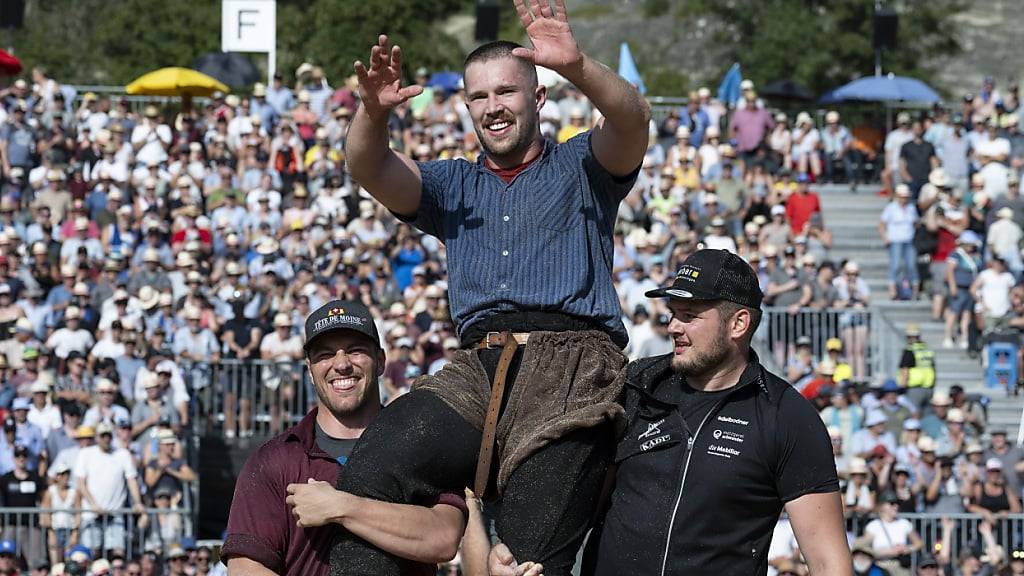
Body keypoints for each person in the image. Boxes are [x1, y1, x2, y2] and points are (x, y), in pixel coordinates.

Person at [333, 0, 650, 573]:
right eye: (478, 97)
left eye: (505, 91)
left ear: (538, 97)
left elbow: (632, 120)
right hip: (479, 366)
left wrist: (577, 65)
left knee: (522, 559)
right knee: (369, 473)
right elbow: (370, 167)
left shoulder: (582, 163)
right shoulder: (454, 182)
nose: (492, 107)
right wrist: (372, 114)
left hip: (572, 368)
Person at [553, 249, 848, 575]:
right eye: (673, 313)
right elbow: (577, 506)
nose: (674, 327)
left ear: (738, 323)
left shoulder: (787, 416)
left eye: (690, 315)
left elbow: (828, 562)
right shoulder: (636, 386)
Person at [222, 300, 467, 576]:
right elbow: (246, 568)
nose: (341, 364)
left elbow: (443, 538)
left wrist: (342, 507)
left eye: (355, 350)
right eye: (325, 354)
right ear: (310, 371)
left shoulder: (422, 445)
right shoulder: (273, 460)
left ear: (381, 360)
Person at [879, 184, 920, 300]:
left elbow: (915, 223)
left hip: (908, 240)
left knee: (911, 265)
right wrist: (885, 237)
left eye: (905, 197)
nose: (904, 199)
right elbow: (881, 224)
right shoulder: (891, 208)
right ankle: (892, 290)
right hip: (895, 240)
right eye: (902, 197)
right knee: (895, 265)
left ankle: (914, 290)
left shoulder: (911, 208)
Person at [897, 324, 935, 410]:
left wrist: (902, 388)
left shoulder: (909, 350)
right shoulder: (927, 350)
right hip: (928, 388)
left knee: (913, 414)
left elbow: (905, 371)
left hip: (914, 389)